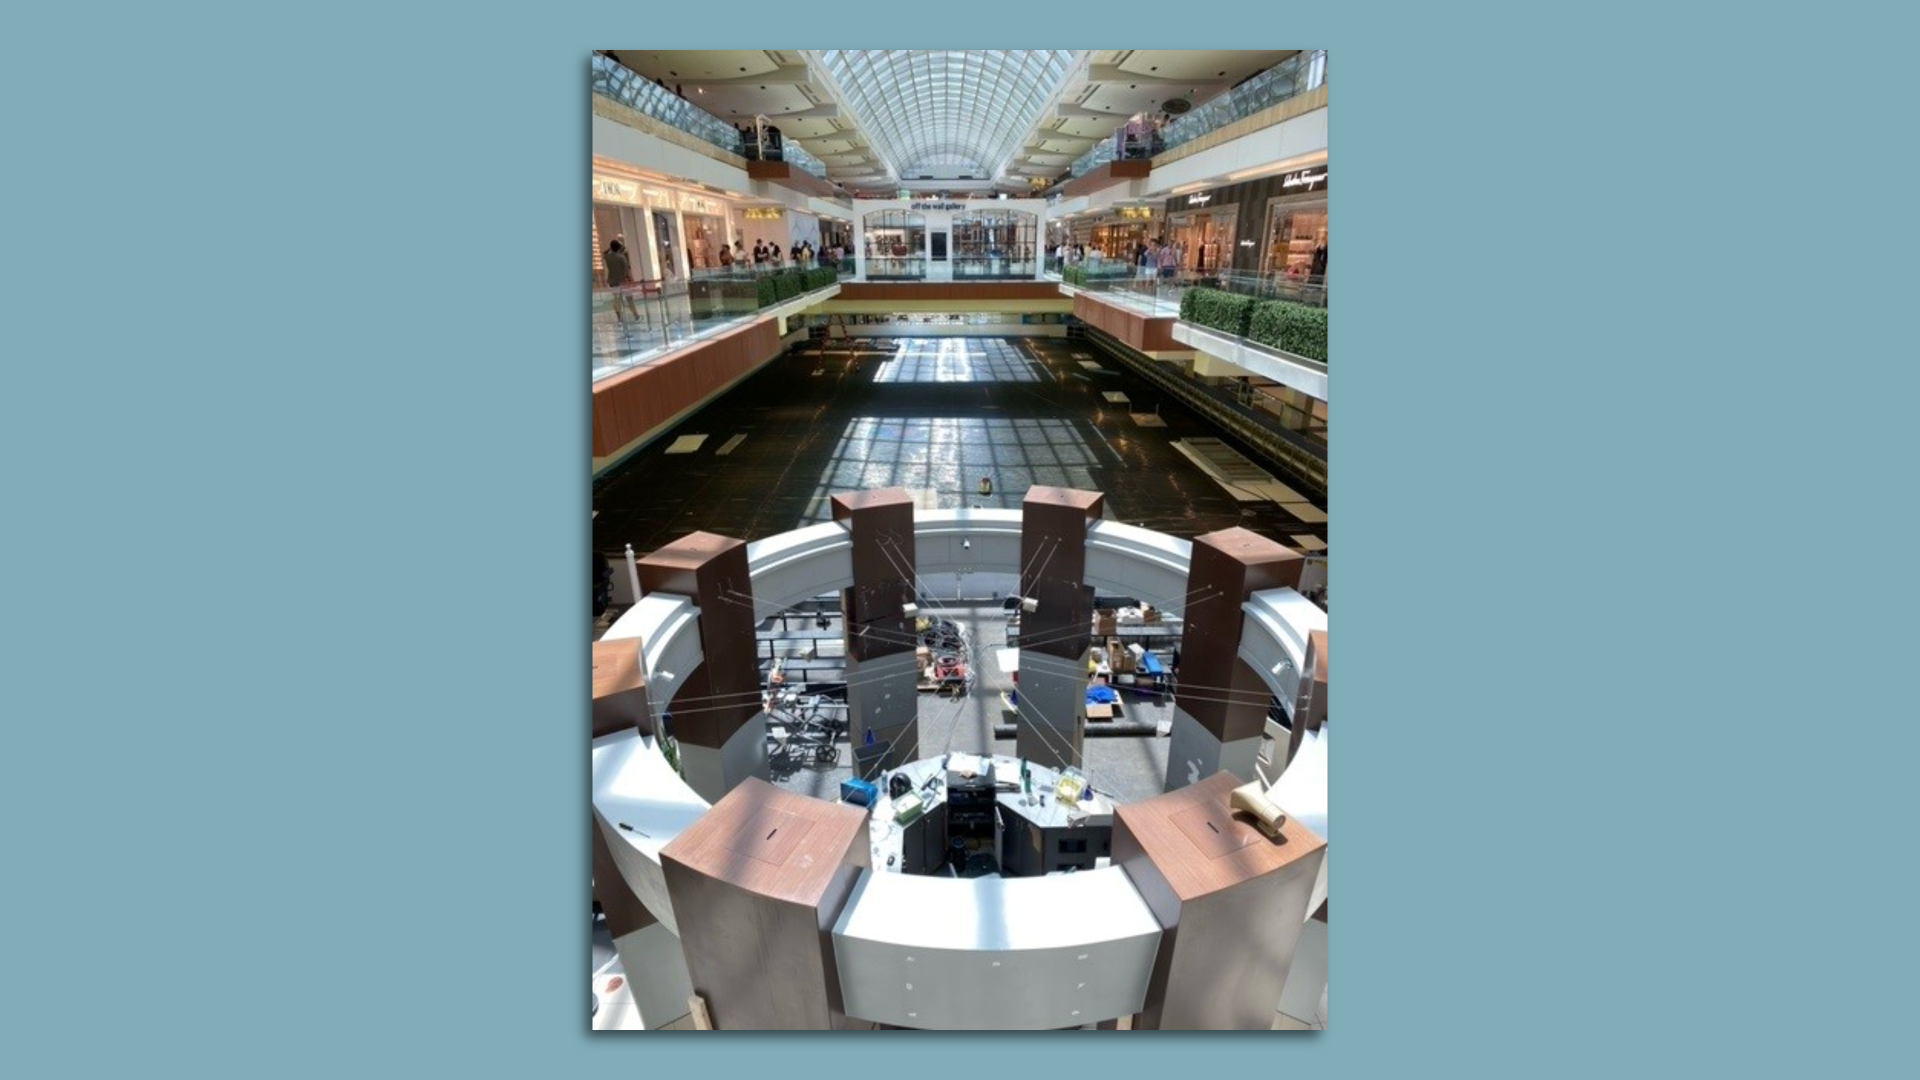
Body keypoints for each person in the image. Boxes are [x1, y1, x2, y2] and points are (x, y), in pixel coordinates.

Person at [603, 237, 639, 322]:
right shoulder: (621, 257)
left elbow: (604, 252)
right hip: (622, 282)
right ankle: (636, 316)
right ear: (619, 248)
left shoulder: (607, 257)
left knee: (617, 300)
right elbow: (627, 270)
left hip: (612, 282)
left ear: (611, 247)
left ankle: (619, 318)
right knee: (629, 298)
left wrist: (610, 248)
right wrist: (633, 281)